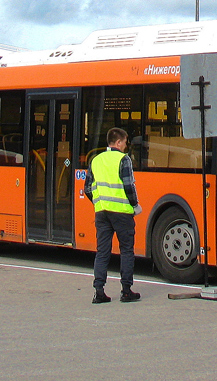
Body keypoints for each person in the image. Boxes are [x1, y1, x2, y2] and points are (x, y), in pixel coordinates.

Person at [83, 127, 142, 305]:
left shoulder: (96, 159)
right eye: (124, 142)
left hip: (102, 213)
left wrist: (98, 202)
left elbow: (87, 188)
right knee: (126, 251)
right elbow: (128, 186)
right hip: (122, 214)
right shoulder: (123, 160)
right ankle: (126, 291)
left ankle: (99, 291)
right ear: (118, 142)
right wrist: (135, 205)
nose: (125, 146)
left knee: (102, 251)